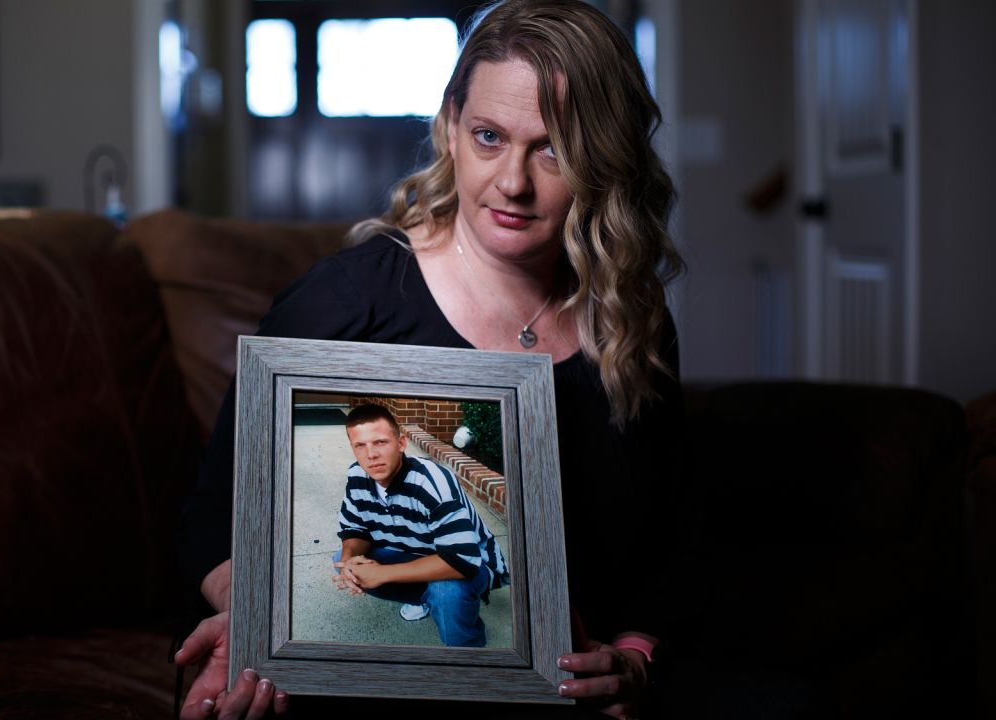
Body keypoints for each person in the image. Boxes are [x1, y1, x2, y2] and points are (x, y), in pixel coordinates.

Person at [173, 1, 688, 717]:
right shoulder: (343, 305)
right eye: (488, 136)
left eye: (553, 149)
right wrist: (261, 622)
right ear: (450, 126)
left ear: (606, 156)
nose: (513, 181)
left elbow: (664, 543)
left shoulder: (634, 322)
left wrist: (632, 663)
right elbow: (211, 522)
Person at [329, 404, 510, 648]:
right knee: (342, 557)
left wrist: (381, 574)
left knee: (447, 592)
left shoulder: (432, 482)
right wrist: (350, 562)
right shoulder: (357, 477)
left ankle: (469, 654)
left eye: (380, 442)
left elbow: (462, 561)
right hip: (413, 554)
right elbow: (355, 530)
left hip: (471, 562)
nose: (370, 455)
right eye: (360, 445)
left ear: (401, 443)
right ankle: (425, 596)